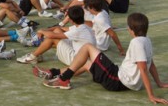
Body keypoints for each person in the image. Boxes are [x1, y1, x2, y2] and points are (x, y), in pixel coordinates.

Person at [34, 13, 168, 105]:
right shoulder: (146, 40)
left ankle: (63, 80)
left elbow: (144, 68)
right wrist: (159, 83)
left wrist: (151, 95)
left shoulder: (136, 43)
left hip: (117, 80)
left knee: (87, 48)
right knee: (87, 64)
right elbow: (152, 64)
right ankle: (55, 73)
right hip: (119, 77)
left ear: (131, 29)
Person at [16, 6, 96, 65]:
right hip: (84, 56)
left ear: (70, 20)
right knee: (57, 31)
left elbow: (52, 36)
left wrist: (41, 31)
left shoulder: (78, 30)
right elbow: (60, 28)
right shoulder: (84, 26)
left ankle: (32, 57)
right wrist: (45, 30)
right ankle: (37, 52)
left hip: (78, 60)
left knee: (52, 38)